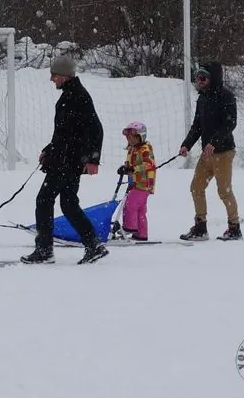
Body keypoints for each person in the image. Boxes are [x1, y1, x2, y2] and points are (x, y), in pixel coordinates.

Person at [22, 55, 109, 265]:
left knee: (44, 200)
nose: (52, 79)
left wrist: (93, 159)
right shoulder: (70, 95)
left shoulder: (77, 96)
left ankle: (44, 250)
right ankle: (93, 244)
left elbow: (96, 129)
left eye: (54, 75)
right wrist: (48, 150)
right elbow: (64, 133)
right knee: (69, 204)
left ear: (64, 75)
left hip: (67, 161)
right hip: (65, 159)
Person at [178, 62, 241, 241]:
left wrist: (214, 142)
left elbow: (230, 123)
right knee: (196, 187)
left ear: (213, 78)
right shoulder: (203, 98)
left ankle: (234, 228)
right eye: (198, 77)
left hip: (223, 153)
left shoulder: (227, 97)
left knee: (224, 191)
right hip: (206, 154)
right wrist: (186, 145)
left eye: (203, 77)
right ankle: (200, 227)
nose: (200, 81)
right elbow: (197, 126)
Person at [118, 121, 157, 241]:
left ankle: (129, 227)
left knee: (130, 204)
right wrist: (125, 168)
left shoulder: (145, 148)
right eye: (128, 137)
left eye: (133, 137)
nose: (130, 140)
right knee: (140, 209)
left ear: (141, 137)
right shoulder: (132, 149)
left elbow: (149, 163)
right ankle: (141, 234)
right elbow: (130, 163)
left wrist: (134, 168)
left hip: (143, 183)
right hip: (135, 183)